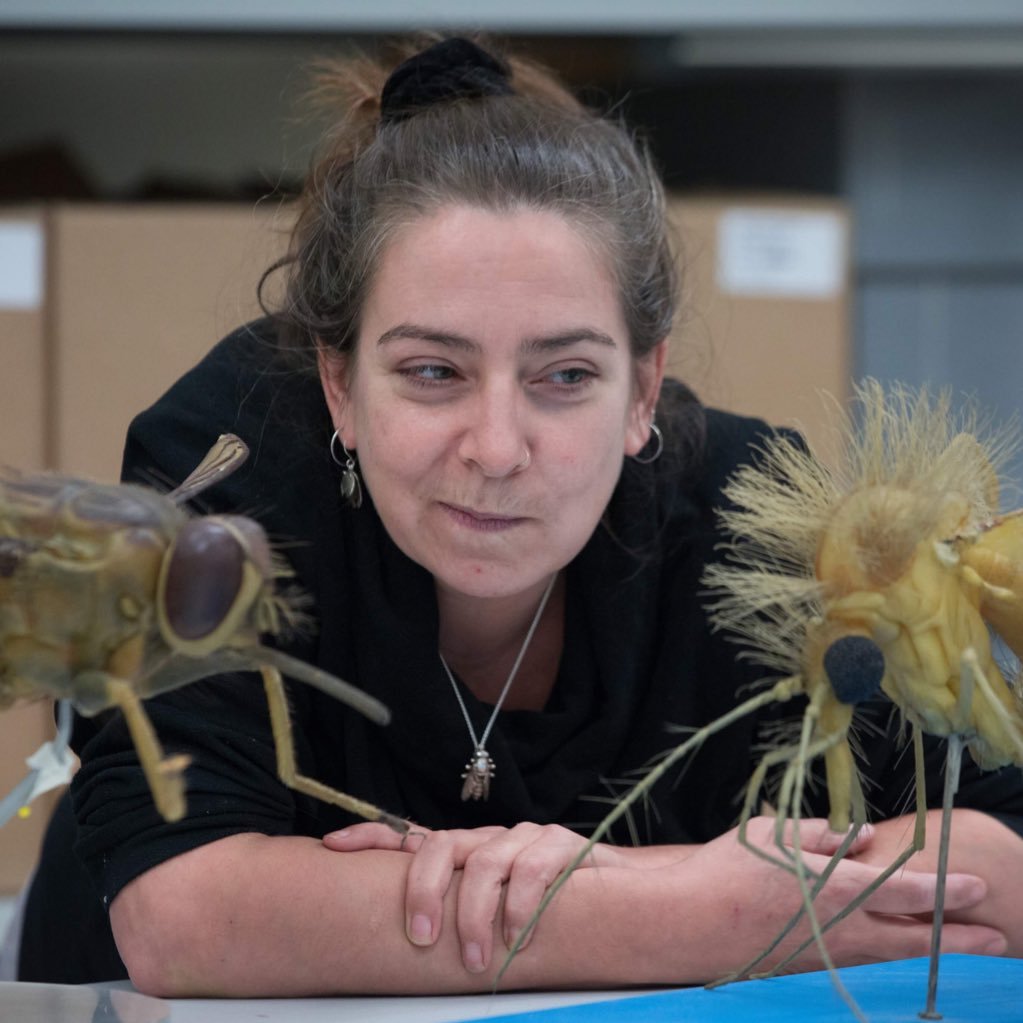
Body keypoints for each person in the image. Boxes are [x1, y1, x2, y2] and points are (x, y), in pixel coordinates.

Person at [15, 35, 1023, 997]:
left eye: (566, 375)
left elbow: (999, 867)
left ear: (642, 390)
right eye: (432, 371)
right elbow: (186, 913)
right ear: (337, 383)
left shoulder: (755, 516)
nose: (497, 447)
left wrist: (521, 896)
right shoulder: (231, 463)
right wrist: (691, 909)